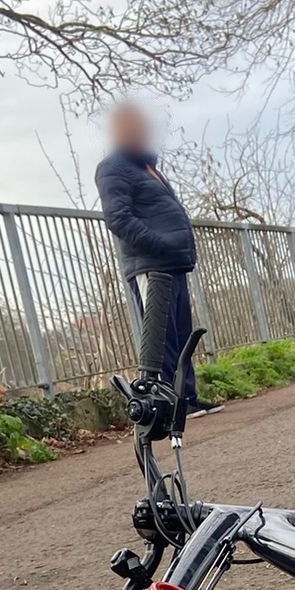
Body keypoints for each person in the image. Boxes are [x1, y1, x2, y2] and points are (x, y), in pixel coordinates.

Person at [95, 101, 218, 419]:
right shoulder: (114, 168)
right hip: (151, 265)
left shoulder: (148, 168)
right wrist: (159, 245)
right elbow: (118, 218)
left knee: (181, 334)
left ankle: (186, 398)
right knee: (161, 337)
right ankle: (169, 403)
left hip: (174, 263)